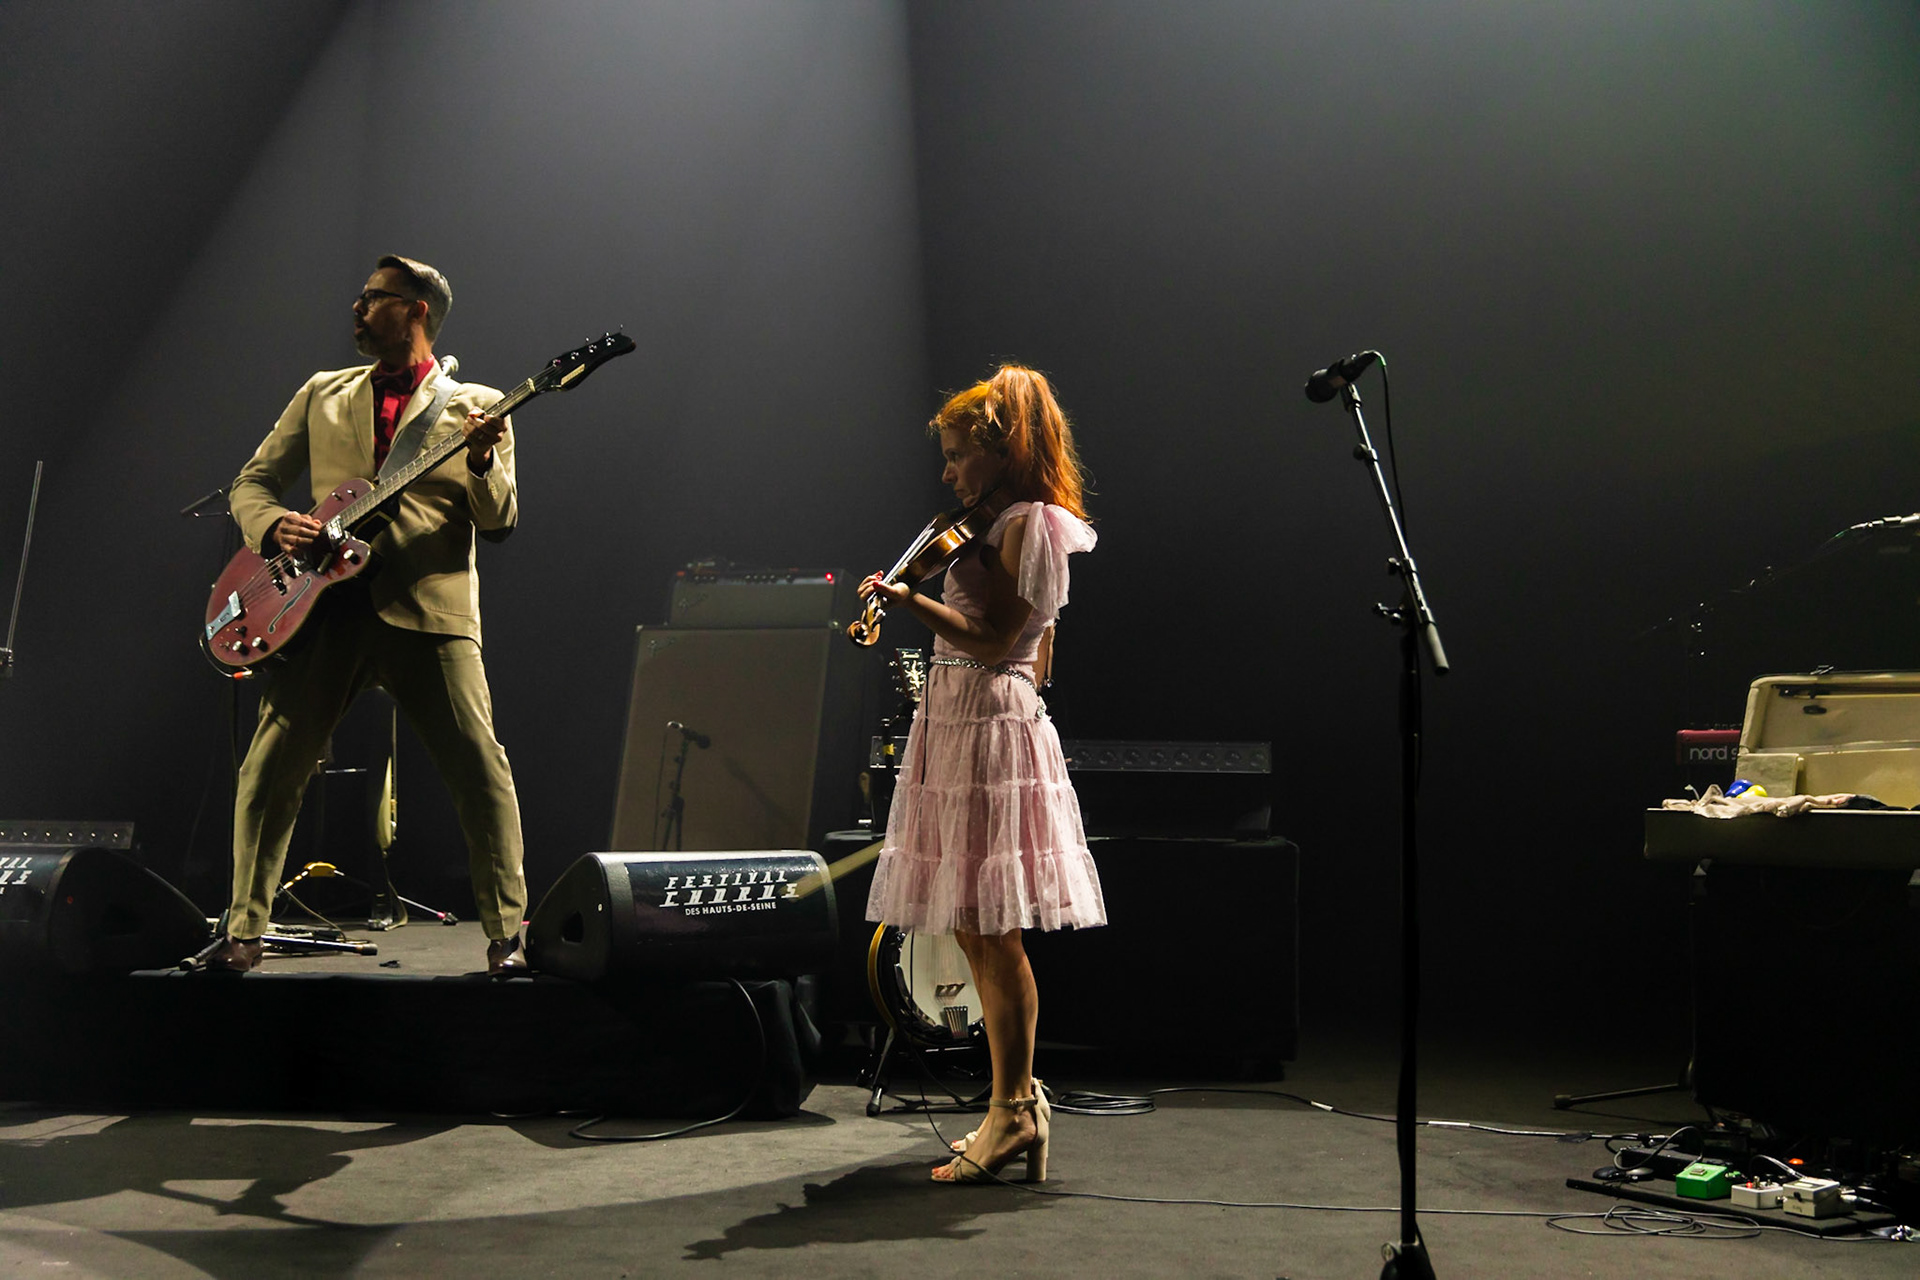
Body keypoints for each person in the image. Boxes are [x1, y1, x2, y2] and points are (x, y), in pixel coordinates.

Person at [206, 254, 530, 977]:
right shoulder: (323, 392)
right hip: (322, 608)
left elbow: (499, 519)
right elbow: (252, 482)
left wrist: (482, 462)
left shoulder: (478, 405)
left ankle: (508, 934)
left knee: (480, 771)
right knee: (269, 771)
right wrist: (273, 526)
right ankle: (243, 929)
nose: (356, 308)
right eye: (359, 297)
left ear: (417, 310)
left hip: (430, 611)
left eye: (373, 298)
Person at [860, 364, 1105, 1183]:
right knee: (971, 923)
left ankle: (1013, 1111)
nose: (948, 473)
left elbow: (1002, 643)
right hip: (960, 716)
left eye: (958, 454)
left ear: (1004, 453)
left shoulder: (1030, 524)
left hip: (988, 721)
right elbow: (1037, 650)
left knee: (994, 931)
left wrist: (908, 600)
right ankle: (1016, 1105)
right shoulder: (993, 525)